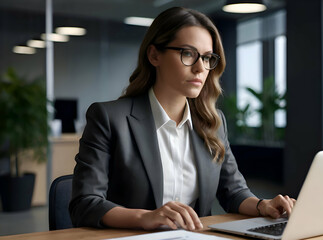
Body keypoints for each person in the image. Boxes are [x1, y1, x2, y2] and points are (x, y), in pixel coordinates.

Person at [69, 6, 295, 231]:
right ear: (154, 55)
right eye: (188, 54)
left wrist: (262, 205)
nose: (200, 68)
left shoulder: (213, 123)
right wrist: (146, 217)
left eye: (207, 58)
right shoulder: (108, 118)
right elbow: (85, 204)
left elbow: (233, 192)